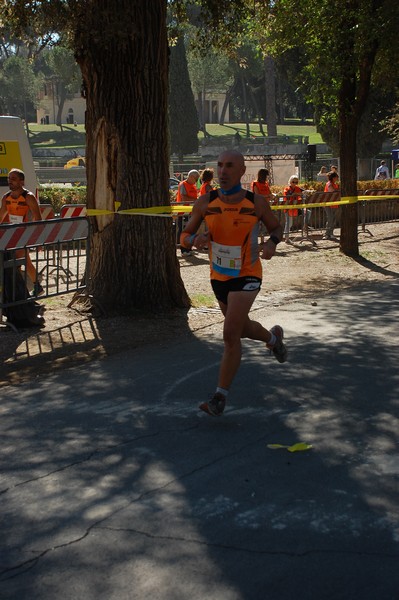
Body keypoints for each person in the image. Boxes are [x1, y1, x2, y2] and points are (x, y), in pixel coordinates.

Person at [180, 150, 287, 417]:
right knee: (239, 329)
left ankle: (219, 397)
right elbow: (184, 236)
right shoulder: (205, 202)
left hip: (248, 274)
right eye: (219, 166)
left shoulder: (257, 203)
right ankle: (273, 339)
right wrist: (194, 240)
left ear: (241, 171)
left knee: (229, 334)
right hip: (219, 277)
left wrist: (272, 243)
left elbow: (276, 228)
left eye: (229, 166)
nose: (223, 171)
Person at [0, 168, 44, 296]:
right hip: (12, 235)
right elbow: (1, 215)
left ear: (21, 182)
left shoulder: (29, 197)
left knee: (15, 264)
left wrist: (38, 240)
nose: (10, 181)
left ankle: (18, 293)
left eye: (13, 179)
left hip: (25, 235)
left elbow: (38, 219)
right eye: (9, 179)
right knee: (27, 262)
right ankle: (37, 287)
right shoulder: (6, 197)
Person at [176, 170, 200, 256]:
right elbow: (184, 197)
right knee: (183, 231)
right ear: (191, 177)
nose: (196, 181)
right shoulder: (183, 184)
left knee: (190, 231)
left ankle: (188, 248)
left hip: (190, 212)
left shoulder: (192, 186)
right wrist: (196, 200)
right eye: (196, 179)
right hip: (183, 212)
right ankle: (183, 250)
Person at [283, 175, 302, 243]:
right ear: (290, 182)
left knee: (289, 223)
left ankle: (286, 237)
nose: (294, 183)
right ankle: (286, 238)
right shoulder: (287, 189)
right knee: (289, 223)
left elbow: (302, 192)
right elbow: (287, 195)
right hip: (288, 208)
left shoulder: (297, 188)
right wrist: (295, 194)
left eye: (296, 182)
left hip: (293, 208)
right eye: (293, 182)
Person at [323, 170, 340, 240]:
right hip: (328, 204)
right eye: (336, 177)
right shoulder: (329, 184)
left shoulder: (335, 184)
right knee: (330, 218)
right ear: (333, 177)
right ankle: (327, 234)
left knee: (333, 219)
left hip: (334, 203)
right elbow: (332, 192)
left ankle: (331, 233)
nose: (337, 178)